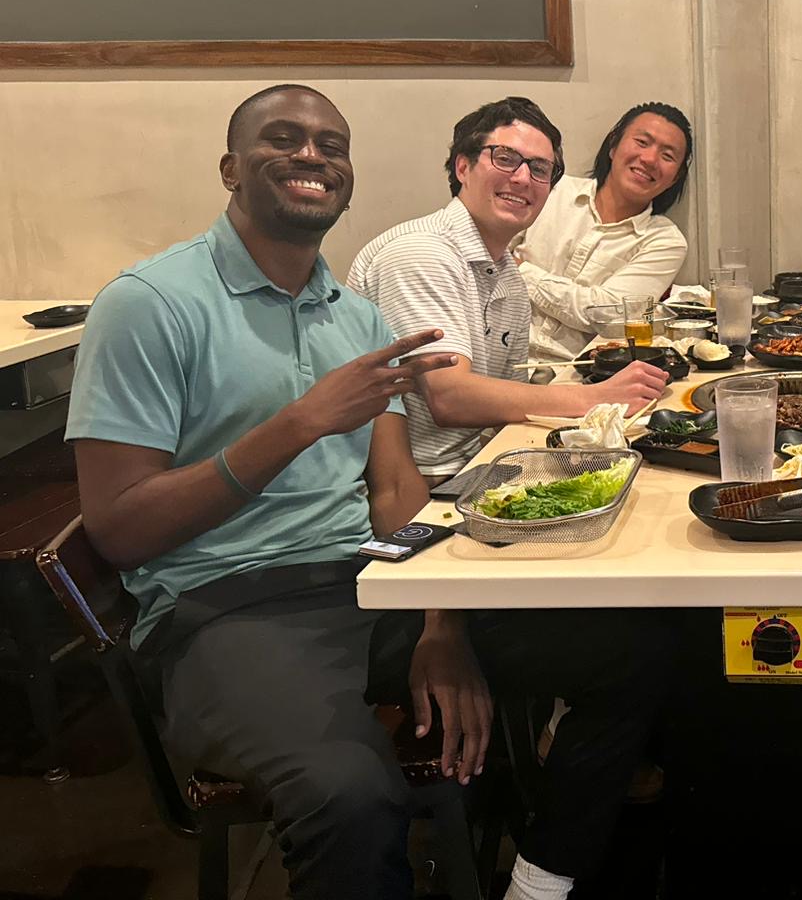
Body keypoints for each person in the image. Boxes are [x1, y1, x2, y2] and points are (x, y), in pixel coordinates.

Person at [67, 85, 667, 900]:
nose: (312, 156)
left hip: (366, 581)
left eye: (332, 146)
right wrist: (301, 422)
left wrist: (438, 620)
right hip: (225, 608)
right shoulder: (149, 304)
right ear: (230, 167)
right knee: (351, 799)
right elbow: (119, 530)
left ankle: (538, 884)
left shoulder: (353, 317)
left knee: (631, 651)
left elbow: (394, 488)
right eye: (284, 138)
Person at [348, 97, 671, 480]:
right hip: (424, 479)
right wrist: (595, 398)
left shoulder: (509, 276)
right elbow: (448, 398)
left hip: (481, 457)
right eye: (504, 158)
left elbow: (504, 404)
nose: (521, 178)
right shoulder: (423, 252)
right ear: (463, 166)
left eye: (539, 169)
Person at [514, 101, 693, 362]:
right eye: (642, 142)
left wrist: (521, 270)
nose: (650, 159)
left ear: (675, 177)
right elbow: (489, 258)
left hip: (578, 374)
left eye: (667, 156)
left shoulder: (665, 241)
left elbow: (608, 315)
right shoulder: (551, 189)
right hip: (501, 358)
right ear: (613, 145)